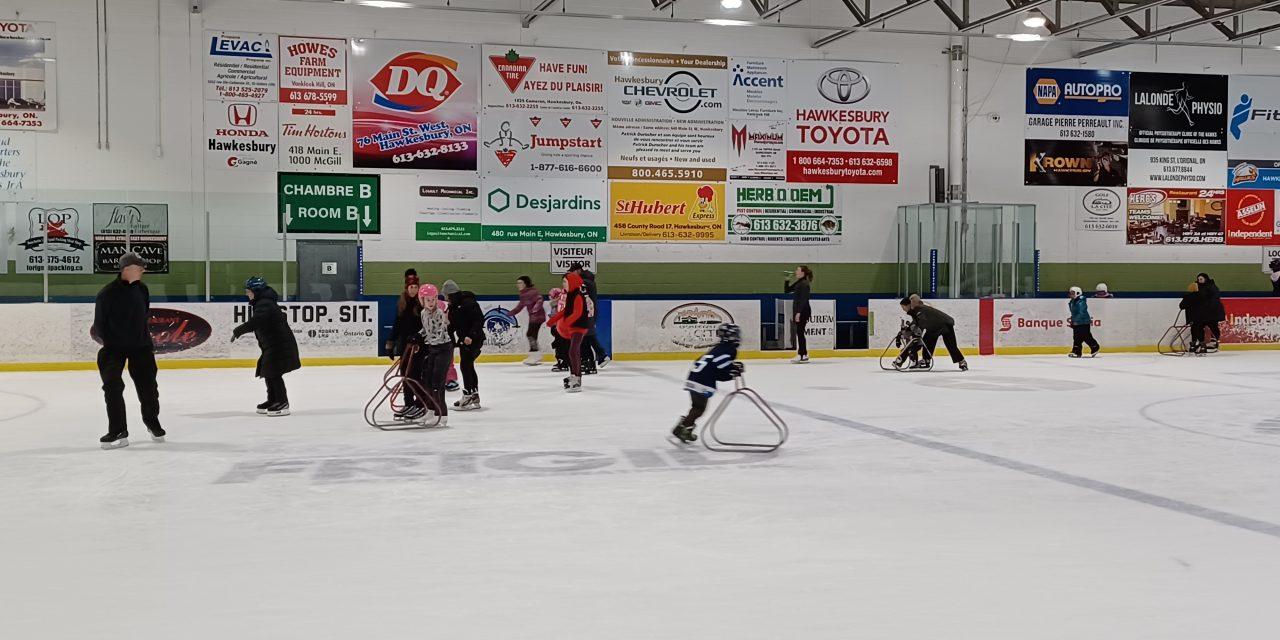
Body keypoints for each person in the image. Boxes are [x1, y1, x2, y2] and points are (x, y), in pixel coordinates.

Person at [93, 251, 165, 449]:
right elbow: (99, 325)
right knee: (112, 387)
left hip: (141, 347)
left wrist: (139, 339)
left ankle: (152, 422)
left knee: (149, 387)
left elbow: (143, 316)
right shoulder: (107, 294)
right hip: (113, 349)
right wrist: (114, 341)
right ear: (126, 268)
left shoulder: (142, 289)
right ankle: (118, 430)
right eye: (139, 266)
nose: (143, 269)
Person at [232, 277, 301, 416]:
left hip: (279, 345)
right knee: (268, 370)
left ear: (256, 291)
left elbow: (257, 321)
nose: (247, 294)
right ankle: (273, 400)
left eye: (248, 291)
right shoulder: (262, 302)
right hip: (274, 344)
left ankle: (282, 402)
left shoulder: (265, 304)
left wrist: (238, 330)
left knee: (273, 372)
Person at [671, 323, 744, 444]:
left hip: (694, 377)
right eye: (735, 335)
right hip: (702, 381)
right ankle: (682, 429)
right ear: (730, 336)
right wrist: (732, 371)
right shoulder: (730, 349)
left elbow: (713, 366)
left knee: (696, 407)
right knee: (699, 408)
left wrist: (731, 370)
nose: (737, 337)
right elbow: (721, 367)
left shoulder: (719, 347)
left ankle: (683, 428)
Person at [442, 279, 484, 410]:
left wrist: (470, 336)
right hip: (464, 340)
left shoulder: (468, 302)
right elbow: (453, 325)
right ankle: (474, 395)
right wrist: (449, 340)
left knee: (465, 365)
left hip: (474, 339)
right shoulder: (454, 306)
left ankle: (468, 395)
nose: (446, 299)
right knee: (468, 365)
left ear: (451, 294)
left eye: (446, 296)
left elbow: (479, 320)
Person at [413, 283, 452, 425]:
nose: (431, 303)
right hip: (433, 349)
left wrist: (426, 340)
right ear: (422, 300)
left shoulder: (439, 313)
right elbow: (426, 330)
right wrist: (417, 335)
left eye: (434, 299)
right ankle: (430, 411)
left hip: (443, 349)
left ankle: (442, 414)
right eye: (428, 300)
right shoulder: (423, 313)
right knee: (427, 381)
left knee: (437, 383)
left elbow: (440, 333)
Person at [387, 273, 423, 419]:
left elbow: (424, 325)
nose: (413, 290)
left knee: (415, 377)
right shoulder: (402, 302)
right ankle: (409, 404)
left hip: (418, 347)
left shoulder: (422, 303)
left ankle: (420, 404)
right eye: (411, 287)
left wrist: (418, 339)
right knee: (405, 377)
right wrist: (391, 343)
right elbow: (397, 325)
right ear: (406, 288)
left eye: (415, 287)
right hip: (404, 346)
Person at [900, 295, 968, 371]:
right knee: (927, 341)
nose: (903, 309)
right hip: (933, 327)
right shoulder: (917, 310)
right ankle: (926, 360)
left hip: (945, 324)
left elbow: (920, 323)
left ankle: (962, 361)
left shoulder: (920, 309)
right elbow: (917, 323)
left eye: (904, 307)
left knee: (951, 345)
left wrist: (915, 333)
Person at [550, 271, 592, 392]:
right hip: (570, 328)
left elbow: (579, 312)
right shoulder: (567, 294)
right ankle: (575, 375)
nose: (563, 284)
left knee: (574, 351)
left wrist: (567, 321)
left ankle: (576, 377)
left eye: (565, 281)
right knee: (573, 352)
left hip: (579, 326)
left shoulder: (578, 294)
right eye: (562, 282)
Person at [568, 263, 609, 368]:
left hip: (588, 312)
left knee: (589, 335)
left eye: (572, 272)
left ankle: (601, 355)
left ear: (578, 271)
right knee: (585, 337)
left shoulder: (586, 282)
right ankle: (589, 360)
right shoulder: (586, 281)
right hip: (587, 312)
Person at [511, 276, 547, 366]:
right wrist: (510, 313)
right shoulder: (523, 294)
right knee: (531, 335)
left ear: (525, 283)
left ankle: (535, 355)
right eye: (517, 283)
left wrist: (535, 309)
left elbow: (540, 299)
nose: (518, 285)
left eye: (520, 283)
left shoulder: (532, 292)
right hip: (533, 317)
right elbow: (520, 306)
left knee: (530, 334)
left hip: (538, 317)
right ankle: (535, 355)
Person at [784, 266, 814, 364]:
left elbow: (804, 300)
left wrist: (798, 313)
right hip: (799, 311)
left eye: (798, 270)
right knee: (799, 332)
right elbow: (787, 290)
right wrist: (787, 280)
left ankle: (802, 354)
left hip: (803, 311)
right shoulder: (799, 282)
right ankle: (803, 354)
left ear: (803, 273)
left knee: (800, 332)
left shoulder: (804, 284)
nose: (795, 271)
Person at [1068, 286, 1100, 358]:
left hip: (1084, 322)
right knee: (1076, 337)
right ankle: (1077, 351)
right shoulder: (1072, 302)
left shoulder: (1081, 301)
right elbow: (1074, 313)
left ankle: (1095, 346)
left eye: (1073, 293)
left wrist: (1076, 320)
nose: (1071, 295)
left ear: (1078, 293)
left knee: (1086, 336)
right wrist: (1073, 321)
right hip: (1077, 322)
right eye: (1071, 293)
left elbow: (1081, 312)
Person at [1180, 282, 1210, 354]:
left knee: (1193, 330)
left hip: (1191, 317)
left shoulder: (1188, 296)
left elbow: (1181, 306)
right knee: (1200, 330)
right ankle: (1203, 346)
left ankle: (1193, 346)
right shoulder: (1202, 296)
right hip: (1201, 317)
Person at [547, 287, 570, 371]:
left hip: (559, 327)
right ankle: (564, 361)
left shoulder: (560, 304)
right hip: (559, 327)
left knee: (560, 345)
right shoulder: (560, 303)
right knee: (561, 345)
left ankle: (563, 362)